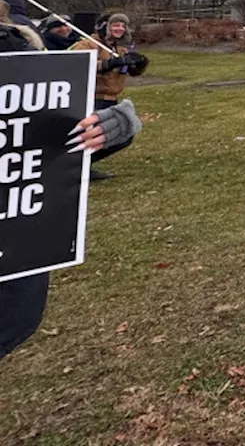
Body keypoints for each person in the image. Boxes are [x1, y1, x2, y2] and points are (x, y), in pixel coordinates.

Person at [0, 97, 140, 359]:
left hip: (18, 238)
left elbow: (39, 137)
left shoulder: (24, 62)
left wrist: (113, 125)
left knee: (20, 312)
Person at [70, 13, 148, 181]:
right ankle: (78, 166)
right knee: (91, 134)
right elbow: (76, 64)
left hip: (111, 98)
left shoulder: (120, 49)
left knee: (122, 134)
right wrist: (107, 64)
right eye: (115, 25)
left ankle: (81, 164)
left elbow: (128, 71)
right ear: (104, 26)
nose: (120, 29)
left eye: (122, 25)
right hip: (91, 97)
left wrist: (138, 65)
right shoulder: (88, 44)